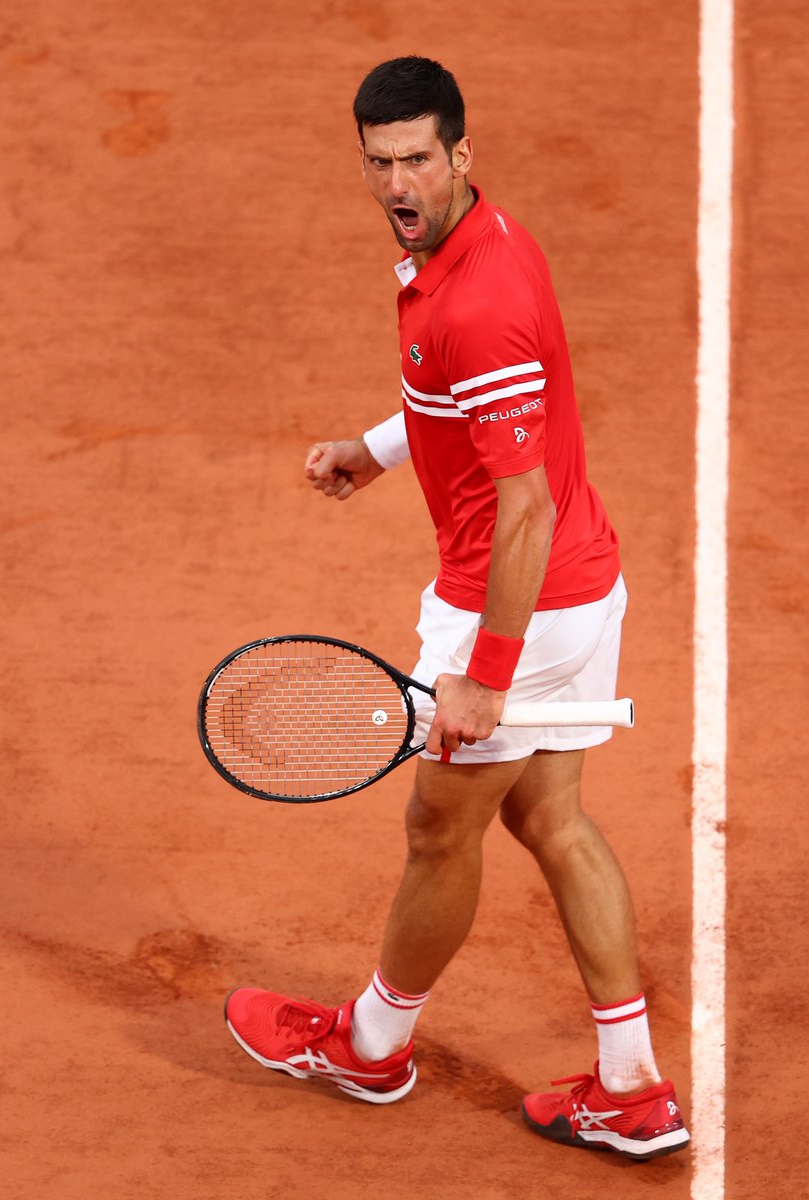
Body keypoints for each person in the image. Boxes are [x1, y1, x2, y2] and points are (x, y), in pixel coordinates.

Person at [224, 56, 690, 1162]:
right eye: (378, 162)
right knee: (549, 819)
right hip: (582, 586)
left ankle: (369, 1048)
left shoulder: (475, 304)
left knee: (440, 832)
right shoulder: (481, 247)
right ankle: (630, 1086)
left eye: (418, 160)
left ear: (459, 155)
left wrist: (485, 673)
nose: (398, 184)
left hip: (512, 601)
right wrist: (377, 449)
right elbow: (456, 407)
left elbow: (521, 510)